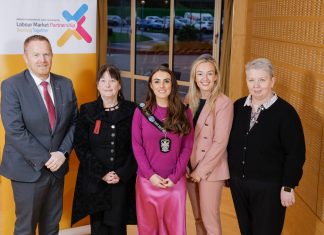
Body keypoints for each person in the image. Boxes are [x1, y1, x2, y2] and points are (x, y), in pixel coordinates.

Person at [0, 35, 78, 235]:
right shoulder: (12, 86)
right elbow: (15, 130)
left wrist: (62, 152)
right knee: (26, 228)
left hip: (57, 168)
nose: (42, 60)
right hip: (27, 170)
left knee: (51, 226)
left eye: (46, 54)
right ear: (25, 58)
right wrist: (46, 159)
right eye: (36, 55)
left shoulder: (66, 84)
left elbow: (74, 123)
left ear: (52, 55)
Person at [227, 58, 305, 235]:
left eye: (262, 80)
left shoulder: (286, 113)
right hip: (239, 183)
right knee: (246, 231)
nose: (256, 85)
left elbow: (295, 154)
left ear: (272, 81)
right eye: (251, 80)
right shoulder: (238, 106)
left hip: (269, 188)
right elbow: (229, 143)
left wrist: (288, 186)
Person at [71, 64, 137, 234]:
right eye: (103, 80)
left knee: (117, 227)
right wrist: (102, 173)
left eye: (112, 80)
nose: (108, 85)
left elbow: (137, 146)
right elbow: (81, 146)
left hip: (121, 182)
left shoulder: (132, 110)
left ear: (119, 85)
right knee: (98, 228)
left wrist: (121, 174)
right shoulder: (87, 110)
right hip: (96, 180)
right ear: (97, 85)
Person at [132, 65, 194, 235]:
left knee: (174, 228)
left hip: (175, 182)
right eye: (157, 81)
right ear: (151, 85)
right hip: (147, 181)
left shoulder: (184, 112)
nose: (162, 86)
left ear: (172, 85)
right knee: (148, 229)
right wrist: (150, 175)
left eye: (166, 81)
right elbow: (137, 146)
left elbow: (187, 147)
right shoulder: (141, 111)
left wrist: (175, 177)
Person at [185, 54, 234, 235]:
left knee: (209, 219)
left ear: (215, 76)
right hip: (190, 167)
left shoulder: (224, 102)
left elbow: (220, 142)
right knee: (197, 217)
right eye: (200, 74)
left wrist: (200, 171)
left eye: (209, 74)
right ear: (194, 77)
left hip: (210, 170)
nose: (204, 79)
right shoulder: (189, 100)